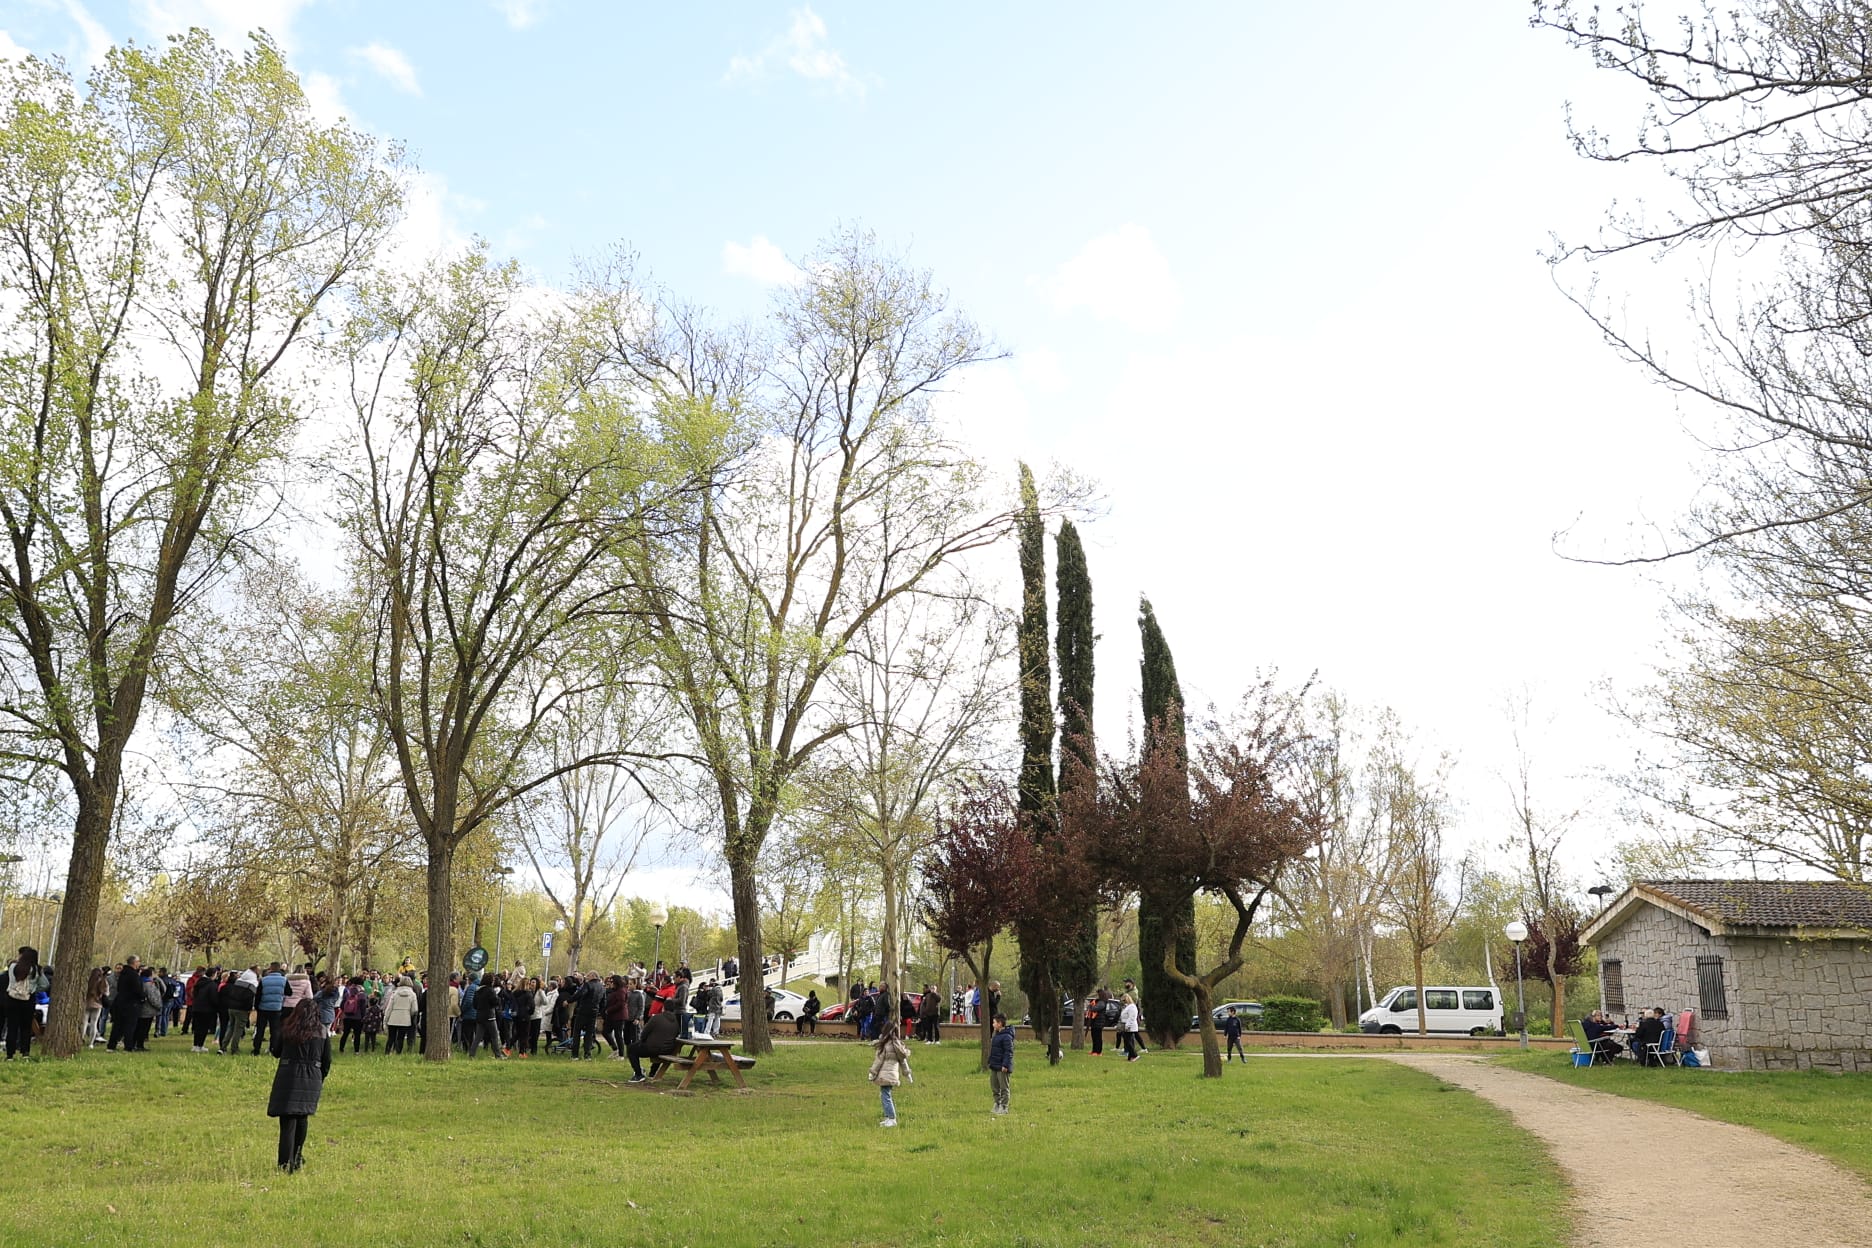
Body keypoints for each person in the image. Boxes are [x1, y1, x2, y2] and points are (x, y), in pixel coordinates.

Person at [267, 998, 332, 1174]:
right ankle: (297, 1157)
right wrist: (319, 1077)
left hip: (288, 1074)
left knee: (287, 1122)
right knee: (303, 1118)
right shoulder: (322, 1031)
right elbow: (327, 1060)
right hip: (312, 1076)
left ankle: (284, 1163)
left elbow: (276, 1051)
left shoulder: (288, 1028)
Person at [4, 946, 47, 1059]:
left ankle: (10, 1054)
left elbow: (11, 981)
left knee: (12, 1027)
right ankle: (25, 1053)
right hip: (28, 1000)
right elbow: (45, 985)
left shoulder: (13, 967)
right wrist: (32, 990)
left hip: (12, 999)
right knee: (26, 1027)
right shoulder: (36, 969)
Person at [868, 1019, 911, 1128]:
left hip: (885, 1075)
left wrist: (872, 1073)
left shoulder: (885, 1045)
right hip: (892, 1074)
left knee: (886, 1095)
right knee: (885, 1094)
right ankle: (888, 1118)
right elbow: (903, 1061)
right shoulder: (897, 1045)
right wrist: (907, 1074)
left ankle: (892, 1118)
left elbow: (878, 1061)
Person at [625, 1005, 681, 1084]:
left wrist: (642, 1041)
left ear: (663, 1008)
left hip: (653, 1048)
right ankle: (652, 1073)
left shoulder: (656, 1018)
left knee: (631, 1049)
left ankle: (638, 1074)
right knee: (658, 1047)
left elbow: (645, 1032)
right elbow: (677, 1034)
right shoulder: (676, 1020)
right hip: (668, 1049)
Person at [252, 963, 288, 1056]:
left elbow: (258, 995)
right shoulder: (284, 980)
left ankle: (256, 1049)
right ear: (279, 968)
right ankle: (272, 1049)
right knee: (275, 1030)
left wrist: (257, 1007)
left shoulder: (263, 980)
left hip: (263, 1008)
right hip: (276, 1008)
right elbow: (289, 992)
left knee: (260, 1029)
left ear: (270, 969)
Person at [106, 956, 141, 1052]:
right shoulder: (133, 975)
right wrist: (142, 997)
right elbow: (137, 989)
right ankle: (128, 1046)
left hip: (120, 1002)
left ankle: (111, 1045)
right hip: (131, 1003)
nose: (139, 964)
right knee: (130, 1026)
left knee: (117, 1025)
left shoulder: (123, 974)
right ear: (134, 963)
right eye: (138, 962)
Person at [219, 970, 257, 1054]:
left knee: (231, 1027)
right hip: (242, 1010)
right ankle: (234, 1048)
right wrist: (249, 1010)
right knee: (238, 1030)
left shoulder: (237, 984)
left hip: (231, 1008)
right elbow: (249, 1000)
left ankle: (223, 1047)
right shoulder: (251, 987)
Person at [383, 976, 419, 1055]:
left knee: (391, 1037)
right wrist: (410, 1014)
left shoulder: (395, 993)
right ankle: (398, 1052)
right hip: (405, 1019)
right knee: (401, 1037)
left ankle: (387, 1052)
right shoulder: (413, 994)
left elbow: (389, 1007)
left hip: (393, 1017)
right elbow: (414, 1009)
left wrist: (386, 1019)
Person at [987, 1013, 1014, 1116]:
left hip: (1002, 1067)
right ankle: (997, 1103)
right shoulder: (996, 1035)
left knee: (1004, 1087)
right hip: (995, 1065)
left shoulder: (1007, 1037)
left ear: (1000, 1023)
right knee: (994, 1086)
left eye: (994, 1022)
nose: (993, 1024)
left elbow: (1008, 1052)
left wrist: (1005, 1065)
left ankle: (1004, 1106)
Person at [189, 970, 221, 1052]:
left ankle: (195, 1045)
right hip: (207, 1009)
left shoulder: (199, 982)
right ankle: (200, 1045)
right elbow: (213, 998)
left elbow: (193, 994)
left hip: (196, 1007)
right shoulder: (212, 985)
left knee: (197, 1027)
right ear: (213, 975)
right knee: (204, 1028)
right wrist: (217, 1006)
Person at [1117, 993, 1142, 1062]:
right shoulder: (1127, 1006)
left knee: (1128, 1041)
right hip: (1126, 1025)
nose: (1123, 1002)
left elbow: (1132, 1018)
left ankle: (1134, 1055)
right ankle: (1130, 1057)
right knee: (1129, 1041)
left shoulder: (1132, 1007)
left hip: (1130, 1026)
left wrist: (1127, 1026)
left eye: (1124, 1000)